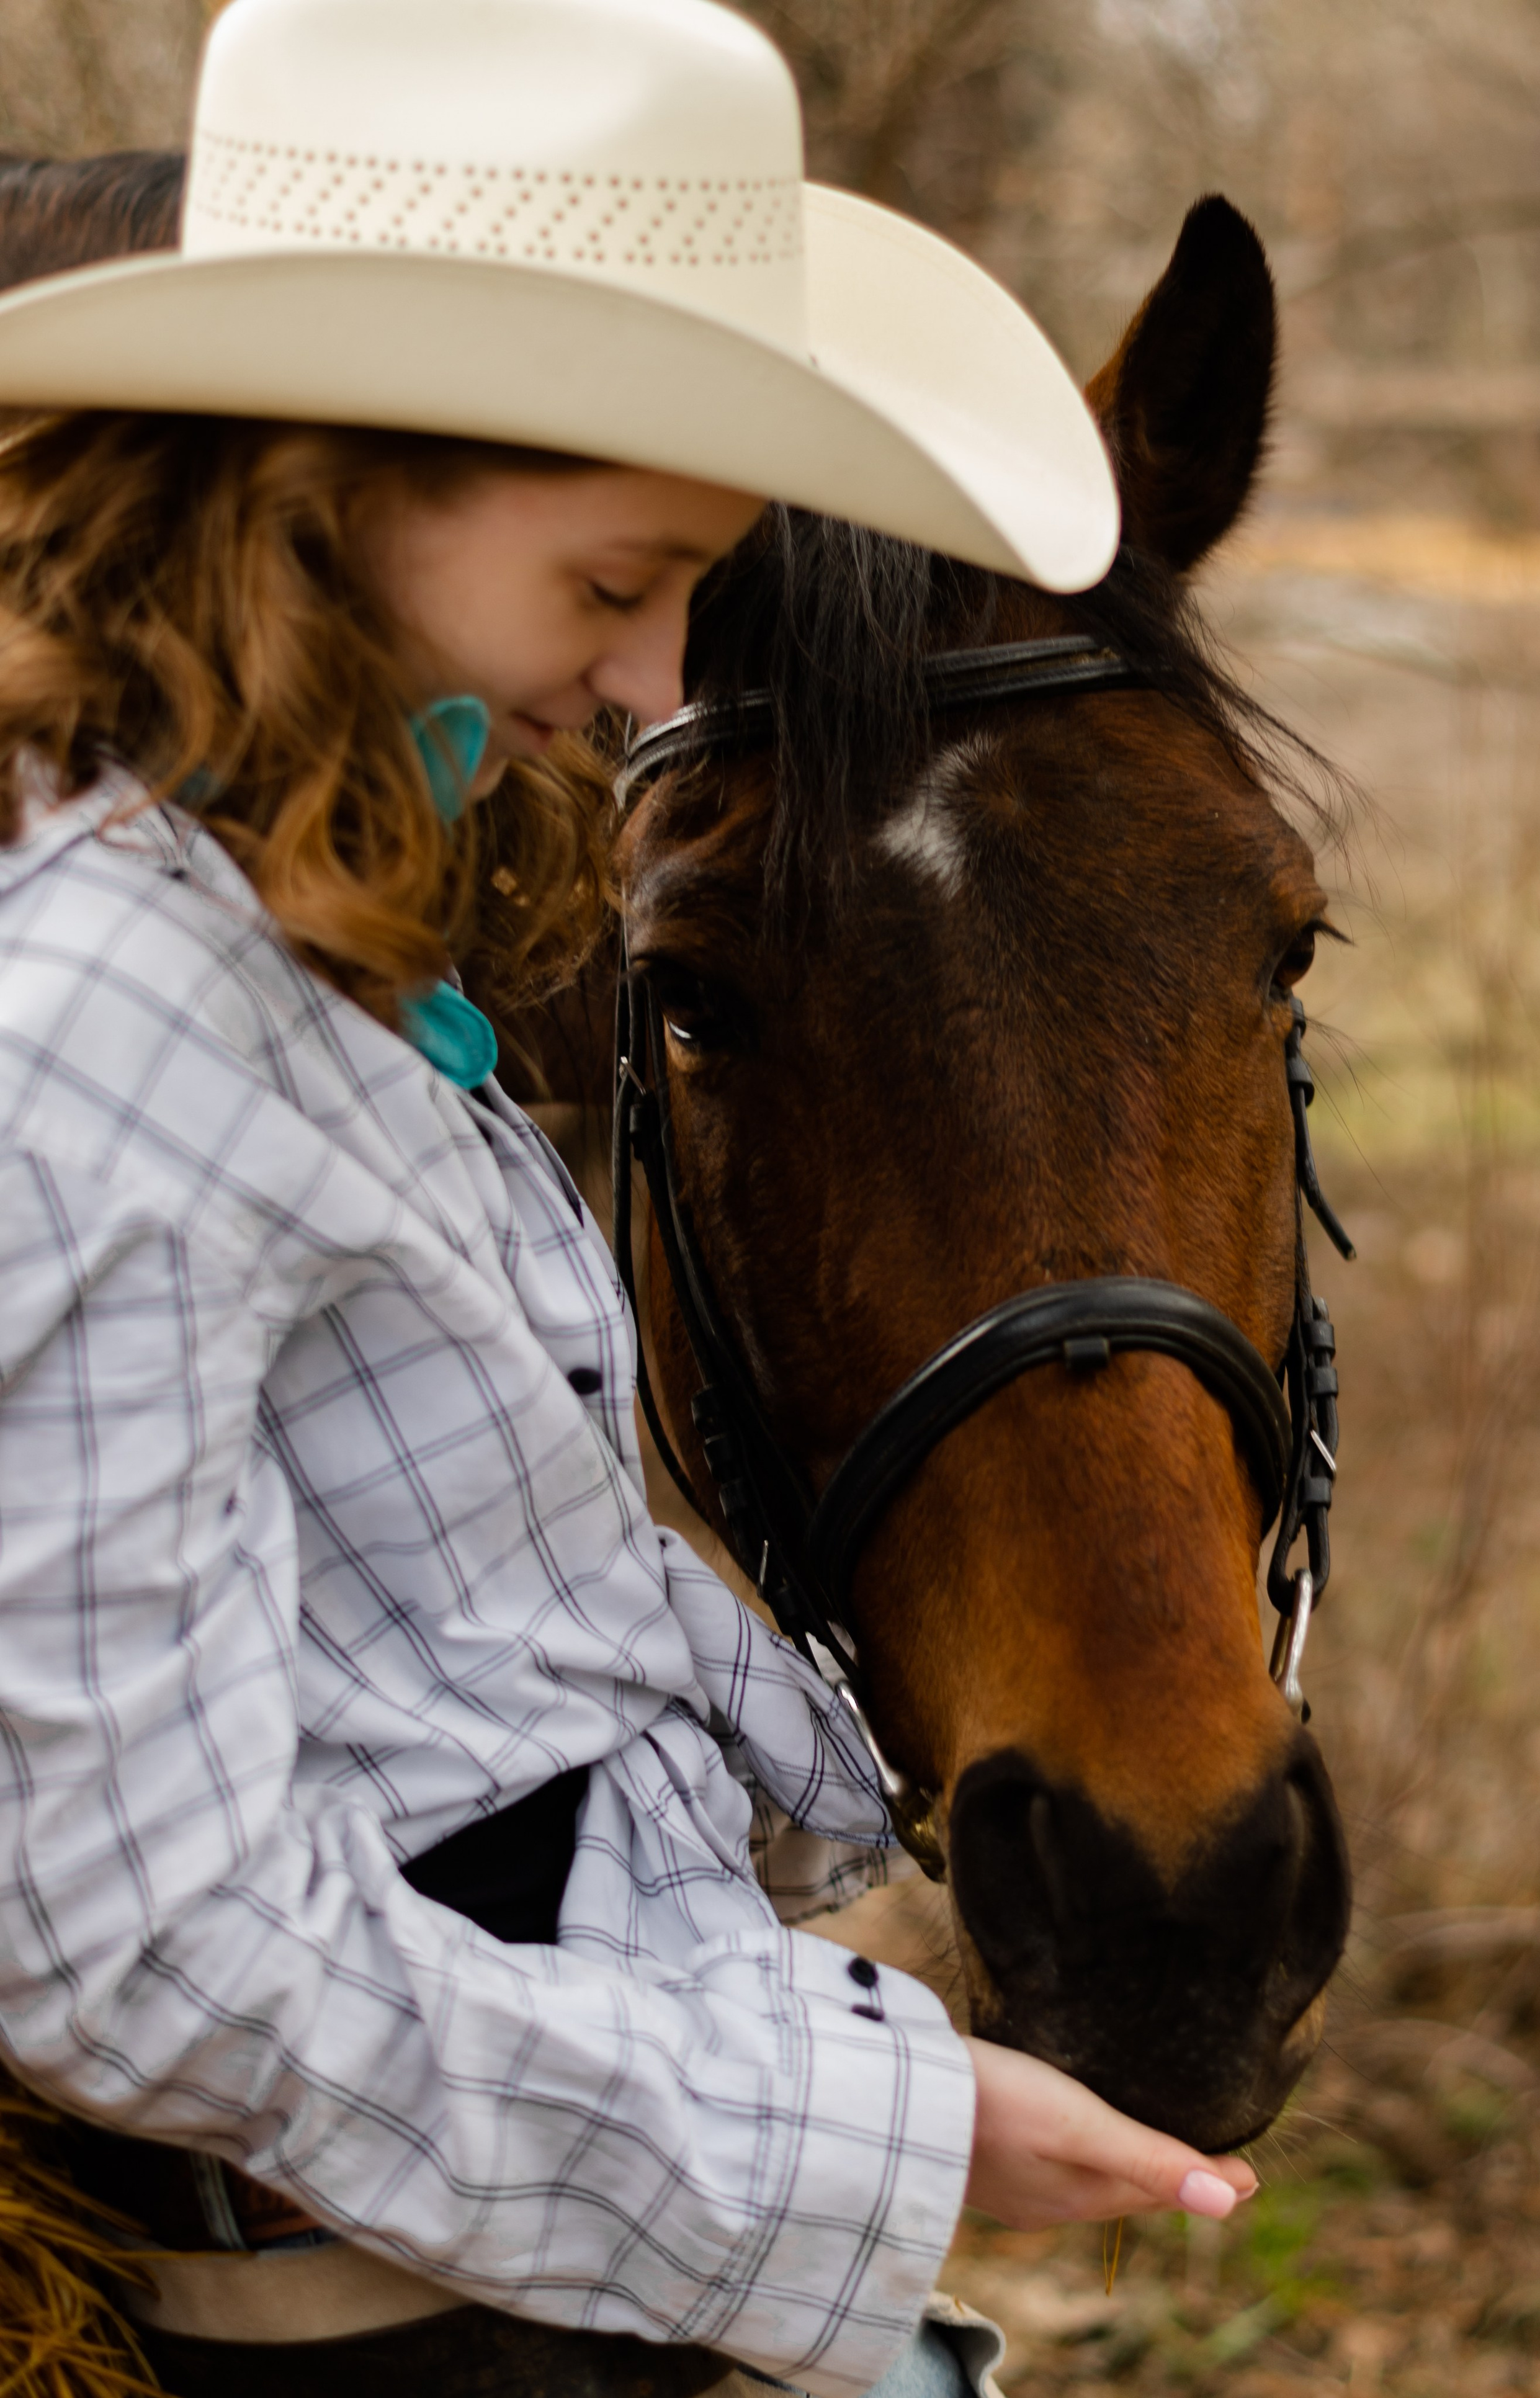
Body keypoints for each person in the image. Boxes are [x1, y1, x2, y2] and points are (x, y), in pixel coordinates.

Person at [0, 1, 1256, 2393]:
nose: (660, 668)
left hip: (557, 2245)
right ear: (323, 480)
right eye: (615, 578)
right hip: (406, 2316)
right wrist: (869, 2129)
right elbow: (132, 1943)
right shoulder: (112, 1019)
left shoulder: (318, 925)